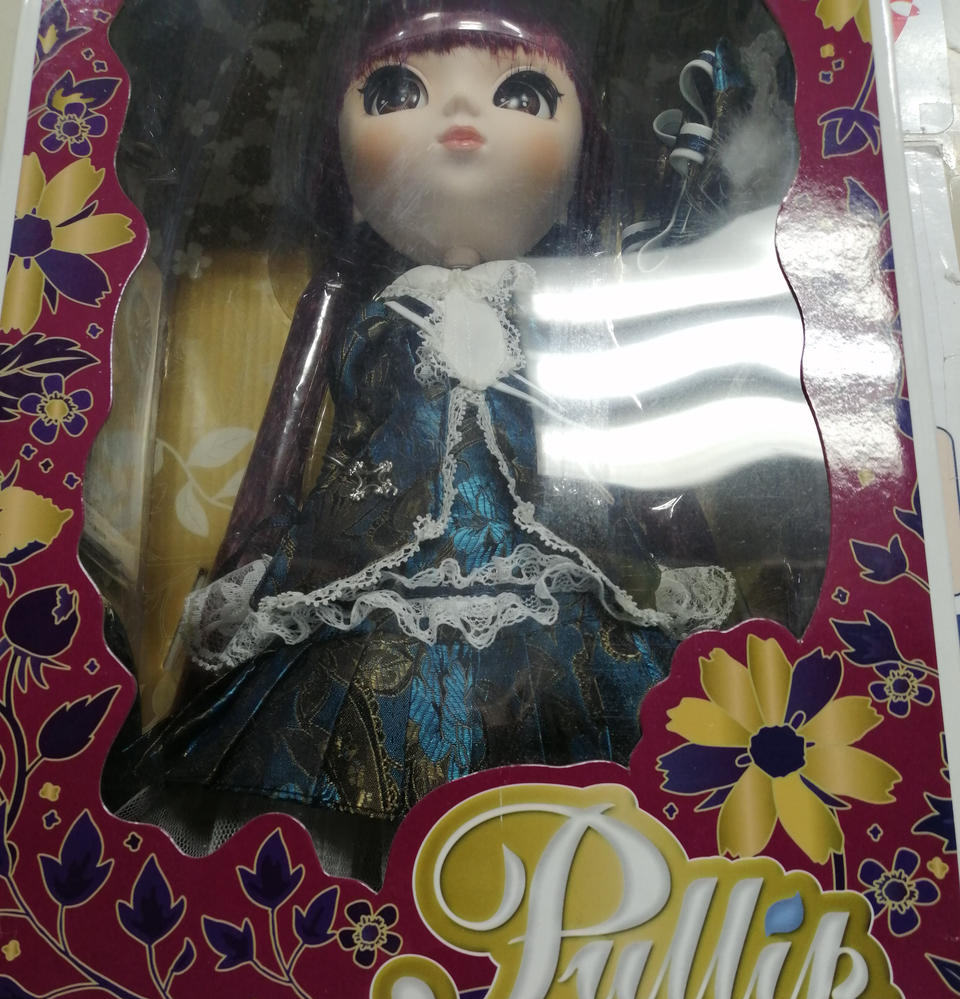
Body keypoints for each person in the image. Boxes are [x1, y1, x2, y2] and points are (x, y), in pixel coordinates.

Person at [121, 1, 735, 880]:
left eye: (522, 96)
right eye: (397, 92)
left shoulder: (562, 310)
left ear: (584, 156)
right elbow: (283, 447)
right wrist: (245, 564)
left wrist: (682, 546)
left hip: (555, 577)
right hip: (364, 575)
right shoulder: (355, 304)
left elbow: (634, 430)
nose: (460, 114)